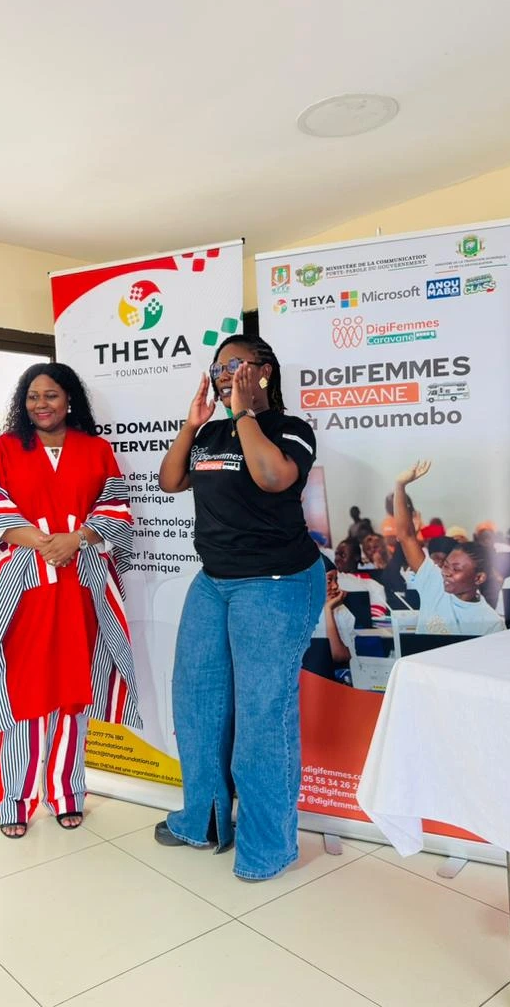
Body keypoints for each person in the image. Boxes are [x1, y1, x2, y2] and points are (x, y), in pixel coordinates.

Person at [152, 333, 324, 881]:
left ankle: (268, 846)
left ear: (264, 371)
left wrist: (245, 413)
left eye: (236, 365)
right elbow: (170, 480)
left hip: (275, 582)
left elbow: (273, 477)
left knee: (261, 715)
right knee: (198, 703)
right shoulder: (211, 433)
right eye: (219, 367)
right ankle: (203, 821)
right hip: (214, 580)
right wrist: (192, 425)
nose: (225, 373)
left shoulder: (290, 429)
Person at [0, 363, 141, 838]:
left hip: (80, 584)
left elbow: (116, 510)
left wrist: (75, 539)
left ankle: (66, 793)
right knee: (24, 692)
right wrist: (43, 542)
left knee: (73, 689)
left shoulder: (96, 450)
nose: (41, 404)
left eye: (51, 395)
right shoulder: (6, 448)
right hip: (23, 588)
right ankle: (14, 800)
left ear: (69, 399)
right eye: (33, 396)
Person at [394, 461, 505, 636]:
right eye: (446, 565)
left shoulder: (491, 623)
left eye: (456, 569)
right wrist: (400, 486)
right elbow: (406, 536)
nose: (446, 572)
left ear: (479, 577)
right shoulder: (433, 581)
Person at [334, 538, 388, 623]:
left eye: (343, 555)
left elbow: (377, 616)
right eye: (336, 554)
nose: (337, 559)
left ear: (356, 557)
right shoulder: (329, 583)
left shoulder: (373, 586)